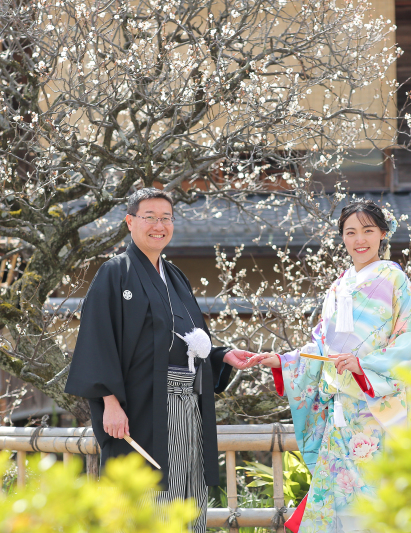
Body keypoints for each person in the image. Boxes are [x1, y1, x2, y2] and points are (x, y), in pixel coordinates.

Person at [65, 188, 263, 532]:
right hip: (140, 406)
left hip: (187, 403)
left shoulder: (175, 277)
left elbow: (186, 340)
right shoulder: (115, 273)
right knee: (147, 491)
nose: (159, 225)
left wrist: (221, 356)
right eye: (150, 217)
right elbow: (98, 339)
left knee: (187, 490)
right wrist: (109, 401)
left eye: (166, 218)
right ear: (130, 222)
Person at [259, 200, 411, 533]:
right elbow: (323, 344)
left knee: (375, 498)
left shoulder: (393, 277)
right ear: (342, 238)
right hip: (341, 407)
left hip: (377, 403)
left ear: (383, 233)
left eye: (368, 230)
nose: (359, 239)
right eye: (350, 232)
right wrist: (283, 360)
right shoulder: (339, 286)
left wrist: (363, 364)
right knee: (340, 498)